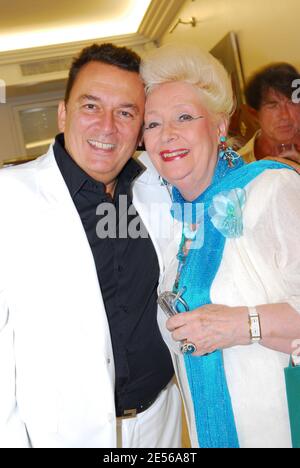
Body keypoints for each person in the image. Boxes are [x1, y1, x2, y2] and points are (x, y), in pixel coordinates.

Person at [0, 43, 181, 448]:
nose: (107, 127)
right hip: (62, 435)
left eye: (126, 113)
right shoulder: (8, 199)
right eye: (91, 106)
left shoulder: (159, 185)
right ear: (63, 113)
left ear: (140, 127)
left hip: (162, 420)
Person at [140, 44, 300, 448]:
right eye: (152, 123)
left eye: (183, 117)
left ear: (219, 126)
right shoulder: (172, 222)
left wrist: (242, 324)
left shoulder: (272, 188)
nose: (167, 134)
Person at [240, 63, 300, 170]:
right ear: (254, 113)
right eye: (273, 105)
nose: (285, 115)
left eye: (291, 103)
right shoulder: (239, 165)